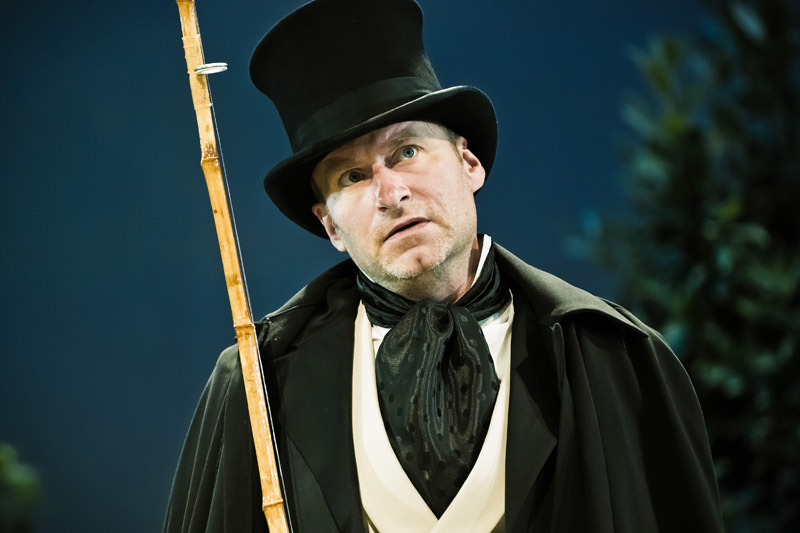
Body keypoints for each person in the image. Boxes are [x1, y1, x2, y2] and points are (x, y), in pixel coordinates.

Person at [164, 0, 724, 531]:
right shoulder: (255, 386)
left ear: (469, 162)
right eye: (351, 177)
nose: (390, 193)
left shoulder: (617, 359)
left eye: (406, 151)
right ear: (329, 224)